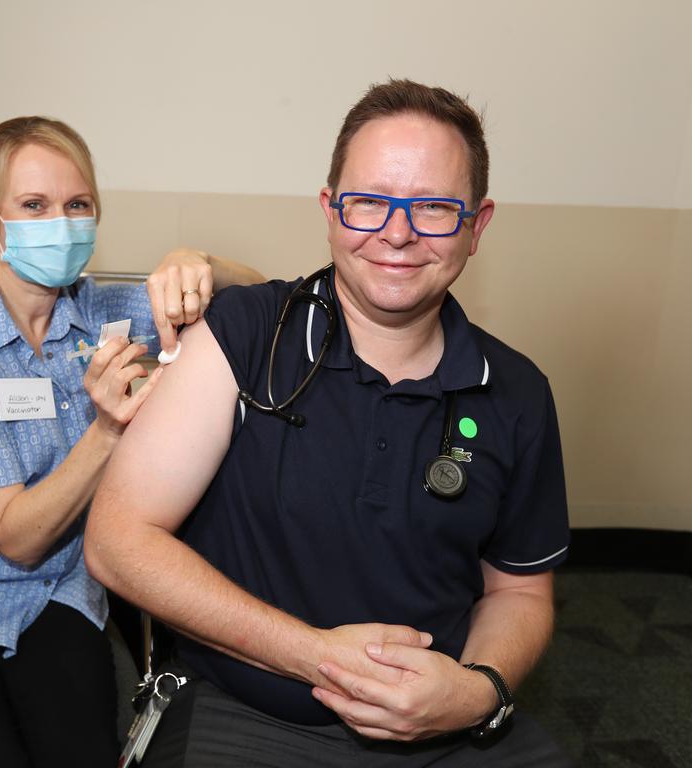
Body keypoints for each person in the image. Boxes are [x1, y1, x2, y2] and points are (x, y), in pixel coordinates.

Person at [85, 80, 572, 767]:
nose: (396, 233)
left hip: (442, 727)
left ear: (477, 224)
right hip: (249, 711)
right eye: (369, 202)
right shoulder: (248, 335)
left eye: (433, 207)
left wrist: (478, 691)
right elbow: (116, 540)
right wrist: (315, 656)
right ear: (330, 210)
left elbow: (519, 591)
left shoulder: (516, 392)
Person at [0, 115, 264, 768]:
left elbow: (264, 302)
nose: (59, 223)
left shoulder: (105, 316)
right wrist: (108, 430)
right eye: (33, 205)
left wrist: (201, 261)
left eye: (77, 205)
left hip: (59, 601)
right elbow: (17, 536)